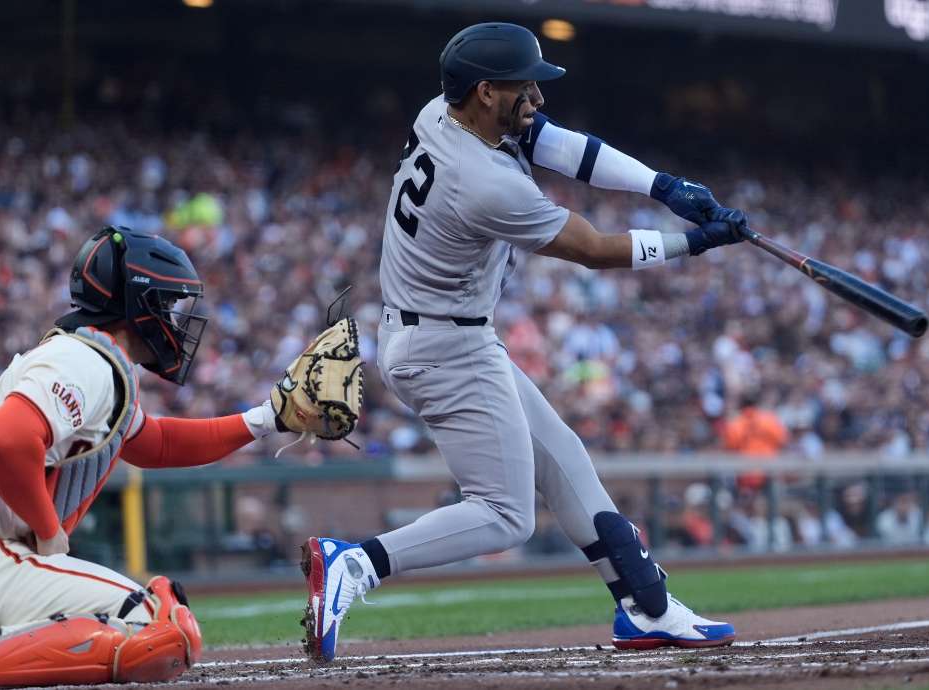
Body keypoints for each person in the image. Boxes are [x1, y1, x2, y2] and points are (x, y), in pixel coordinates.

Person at [300, 22, 747, 662]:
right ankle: (358, 562)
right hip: (443, 349)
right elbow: (593, 250)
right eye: (523, 86)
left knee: (564, 457)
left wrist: (665, 187)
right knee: (507, 514)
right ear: (485, 90)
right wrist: (693, 242)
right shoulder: (484, 182)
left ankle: (646, 606)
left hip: (443, 333)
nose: (536, 96)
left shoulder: (443, 112)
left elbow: (560, 145)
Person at [0, 227, 301, 690]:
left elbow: (156, 442)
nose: (175, 321)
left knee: (133, 624)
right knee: (161, 627)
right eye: (169, 304)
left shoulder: (84, 354)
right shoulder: (89, 362)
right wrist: (47, 529)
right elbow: (8, 439)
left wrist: (266, 419)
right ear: (141, 304)